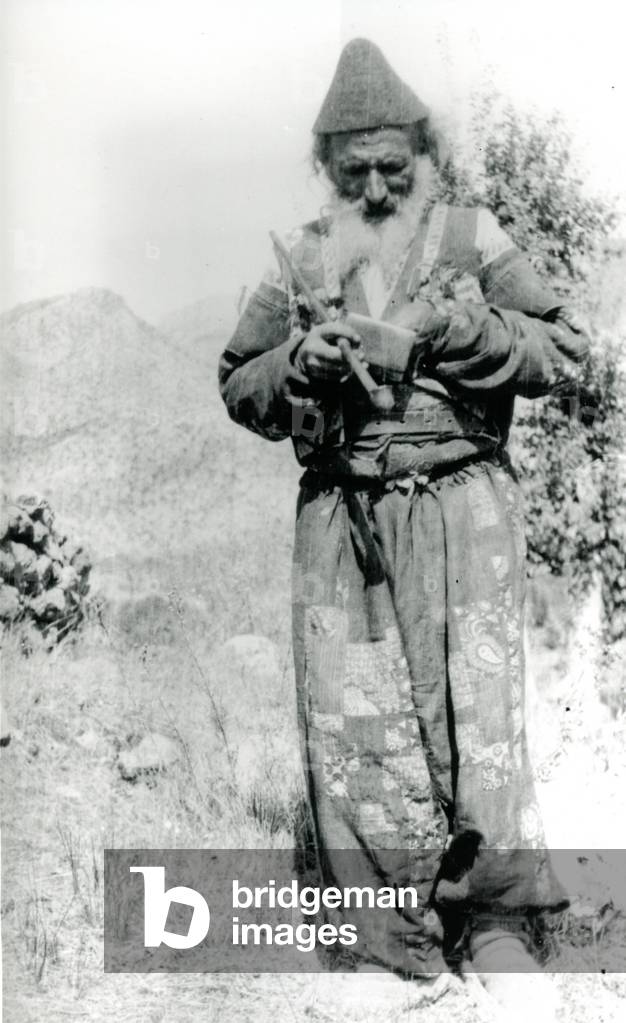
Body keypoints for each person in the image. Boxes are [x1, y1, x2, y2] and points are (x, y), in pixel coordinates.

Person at [219, 38, 587, 1017]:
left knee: (477, 729)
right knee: (358, 732)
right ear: (324, 166)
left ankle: (498, 933)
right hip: (343, 527)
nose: (375, 186)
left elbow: (563, 347)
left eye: (392, 165)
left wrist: (455, 331)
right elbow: (237, 381)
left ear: (420, 154)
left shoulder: (472, 237)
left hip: (462, 515)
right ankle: (389, 948)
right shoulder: (300, 255)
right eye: (353, 170)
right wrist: (300, 360)